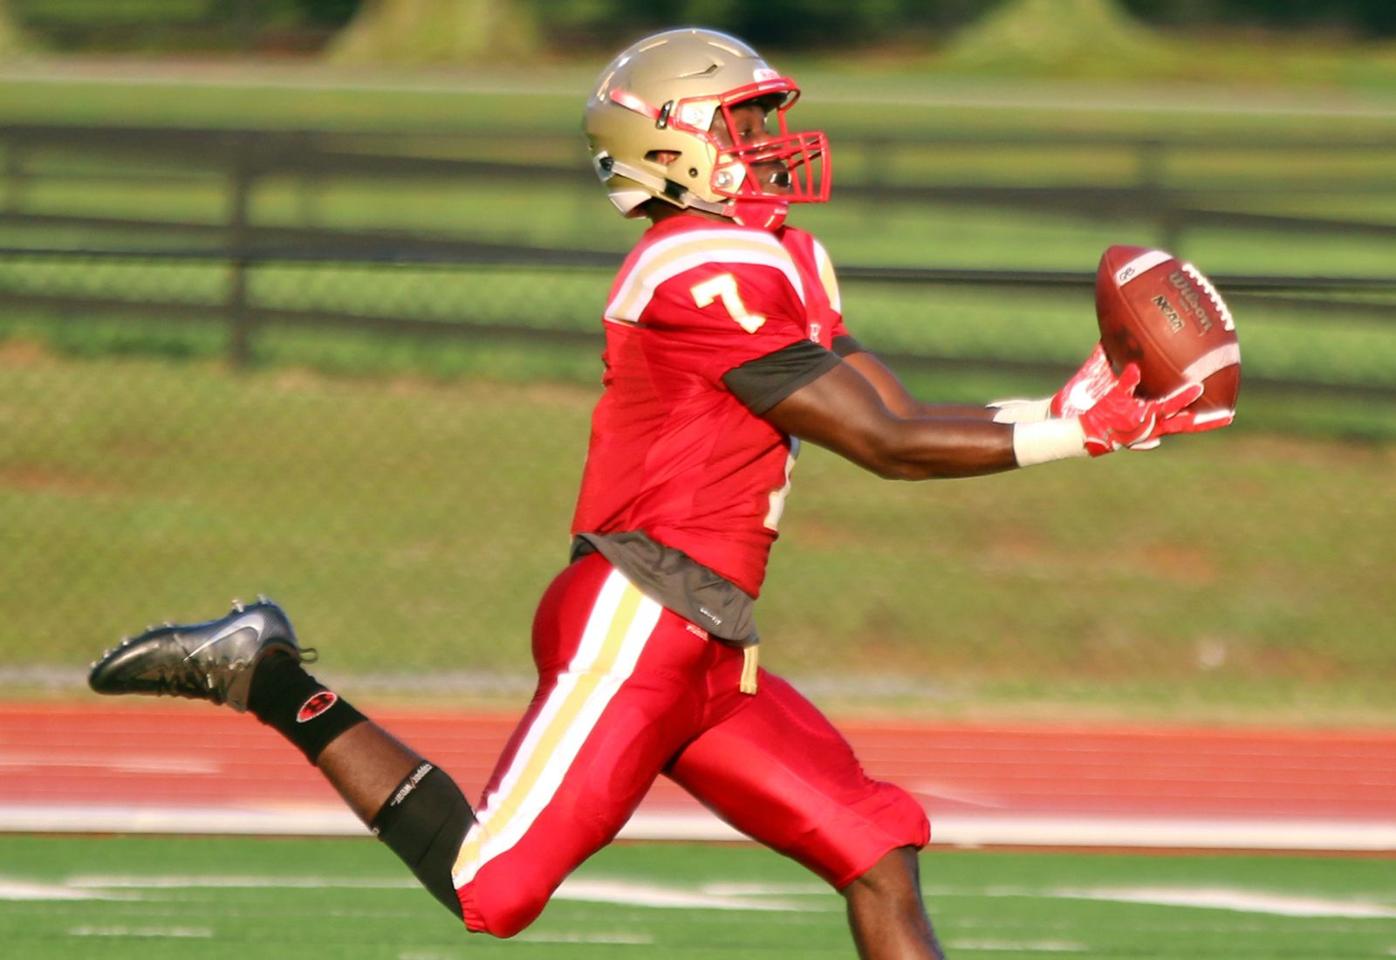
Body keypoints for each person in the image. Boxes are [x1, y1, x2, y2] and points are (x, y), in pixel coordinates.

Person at [88, 27, 1227, 959]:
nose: (769, 143)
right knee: (493, 891)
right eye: (741, 123)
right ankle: (269, 676)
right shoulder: (697, 266)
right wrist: (1089, 432)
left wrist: (1082, 415)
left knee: (874, 850)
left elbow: (896, 410)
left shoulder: (774, 261)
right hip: (638, 622)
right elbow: (880, 443)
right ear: (673, 145)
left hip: (709, 650)